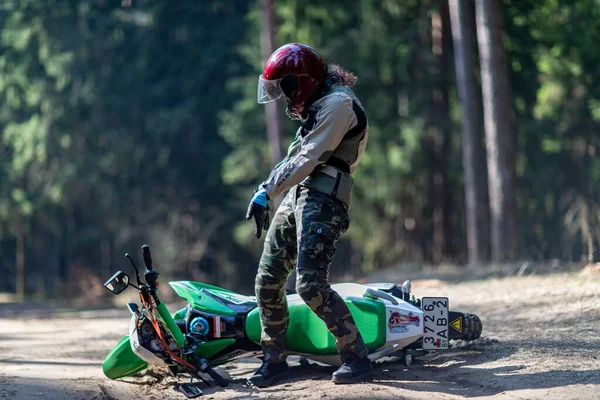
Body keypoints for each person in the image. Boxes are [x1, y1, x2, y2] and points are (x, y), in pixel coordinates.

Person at [245, 43, 371, 386]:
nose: (285, 98)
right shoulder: (319, 104)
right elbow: (294, 160)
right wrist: (266, 189)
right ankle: (275, 361)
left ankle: (356, 357)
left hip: (324, 196)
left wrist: (266, 191)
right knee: (267, 280)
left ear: (301, 81)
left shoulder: (339, 104)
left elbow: (308, 159)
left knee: (309, 284)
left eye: (285, 88)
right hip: (299, 195)